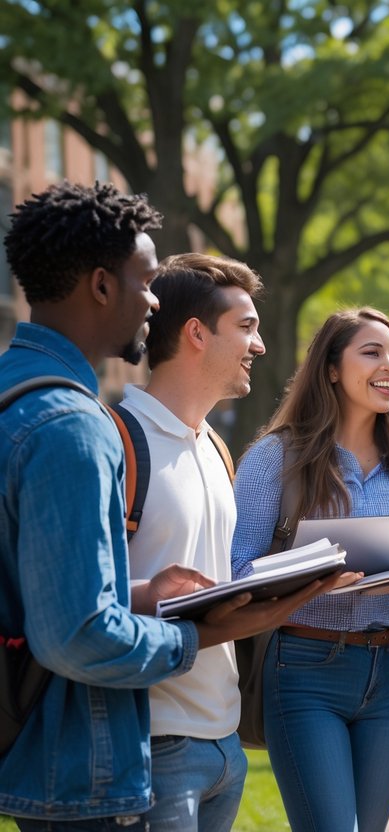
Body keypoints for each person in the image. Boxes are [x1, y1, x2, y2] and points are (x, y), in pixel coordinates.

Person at [0, 182, 332, 829]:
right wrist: (202, 631)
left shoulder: (19, 393)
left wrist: (147, 591)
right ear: (101, 286)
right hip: (101, 760)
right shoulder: (73, 424)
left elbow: (51, 586)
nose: (153, 301)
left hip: (92, 750)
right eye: (146, 281)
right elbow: (78, 635)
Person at [231, 307, 389, 832]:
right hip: (303, 669)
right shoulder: (275, 457)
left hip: (388, 670)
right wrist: (308, 575)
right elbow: (235, 569)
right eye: (371, 352)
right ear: (330, 368)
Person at [121, 253, 268, 831]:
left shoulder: (216, 447)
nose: (257, 346)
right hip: (153, 747)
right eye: (247, 327)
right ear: (197, 334)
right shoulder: (120, 439)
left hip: (225, 744)